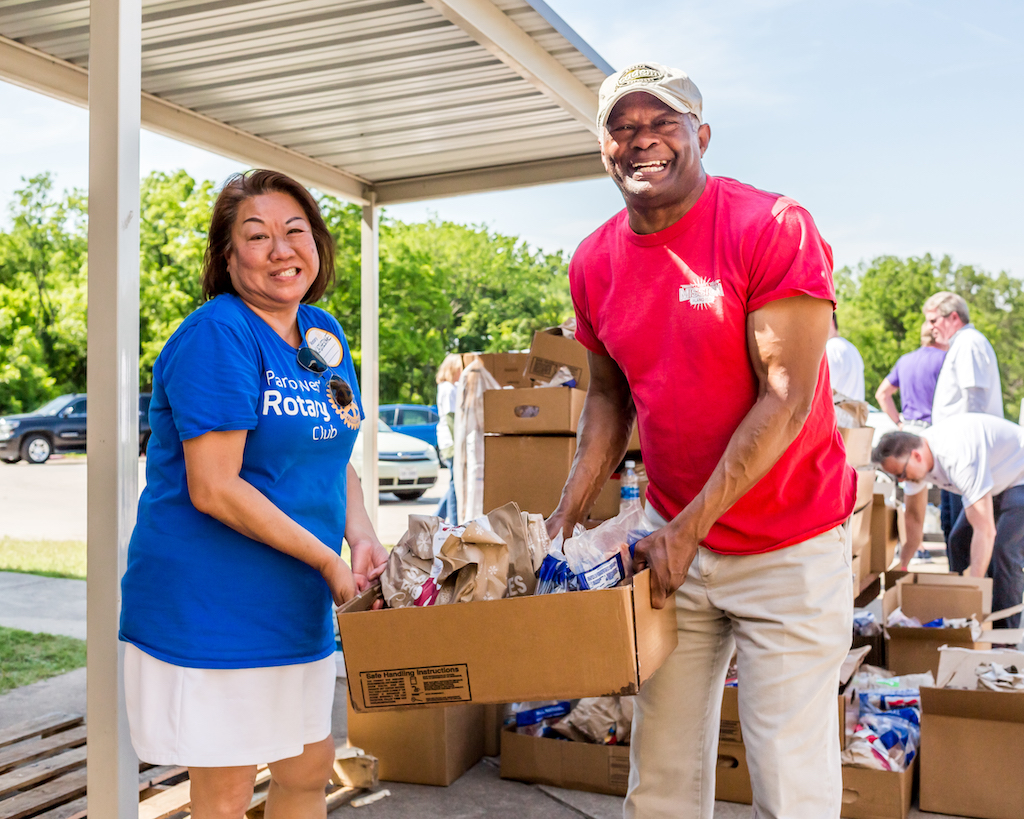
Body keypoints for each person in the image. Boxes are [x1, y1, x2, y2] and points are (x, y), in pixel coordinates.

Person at [546, 62, 855, 819]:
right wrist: (562, 517)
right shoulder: (593, 260)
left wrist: (690, 527)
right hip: (670, 543)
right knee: (660, 776)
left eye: (663, 123)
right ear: (603, 147)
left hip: (787, 545)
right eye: (623, 128)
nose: (642, 140)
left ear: (702, 136)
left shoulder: (771, 226)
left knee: (789, 780)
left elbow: (786, 398)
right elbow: (609, 398)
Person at [119, 170, 388, 819]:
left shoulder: (323, 335)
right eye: (257, 235)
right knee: (227, 794)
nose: (280, 249)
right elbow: (214, 487)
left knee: (309, 771)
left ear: (317, 244)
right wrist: (327, 561)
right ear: (227, 254)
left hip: (295, 606)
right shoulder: (218, 334)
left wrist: (361, 536)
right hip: (215, 609)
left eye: (295, 230)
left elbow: (332, 453)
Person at [874, 416, 1024, 627]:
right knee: (957, 541)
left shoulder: (958, 457)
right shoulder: (915, 464)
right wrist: (904, 565)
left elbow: (985, 530)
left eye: (901, 474)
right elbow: (914, 519)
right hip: (996, 480)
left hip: (1019, 473)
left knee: (1004, 549)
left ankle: (1002, 632)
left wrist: (972, 591)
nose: (901, 480)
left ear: (916, 456)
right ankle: (962, 612)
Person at [924, 291, 1003, 543]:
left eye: (933, 320)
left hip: (966, 459)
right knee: (952, 529)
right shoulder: (962, 344)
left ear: (953, 317)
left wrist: (968, 453)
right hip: (957, 458)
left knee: (963, 537)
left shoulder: (969, 342)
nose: (930, 327)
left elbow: (975, 400)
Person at [875, 321, 947, 429]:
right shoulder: (946, 359)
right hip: (934, 429)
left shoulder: (904, 360)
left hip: (909, 429)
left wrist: (899, 423)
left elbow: (882, 394)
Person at [434, 353, 463, 524]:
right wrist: (459, 446)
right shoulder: (448, 389)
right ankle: (453, 522)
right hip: (450, 441)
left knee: (454, 482)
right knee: (454, 484)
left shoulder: (452, 387)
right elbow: (451, 418)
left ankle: (436, 518)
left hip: (450, 440)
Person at [826, 312, 865, 400]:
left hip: (838, 408)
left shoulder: (831, 348)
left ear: (830, 323)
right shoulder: (851, 347)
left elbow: (825, 390)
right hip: (855, 407)